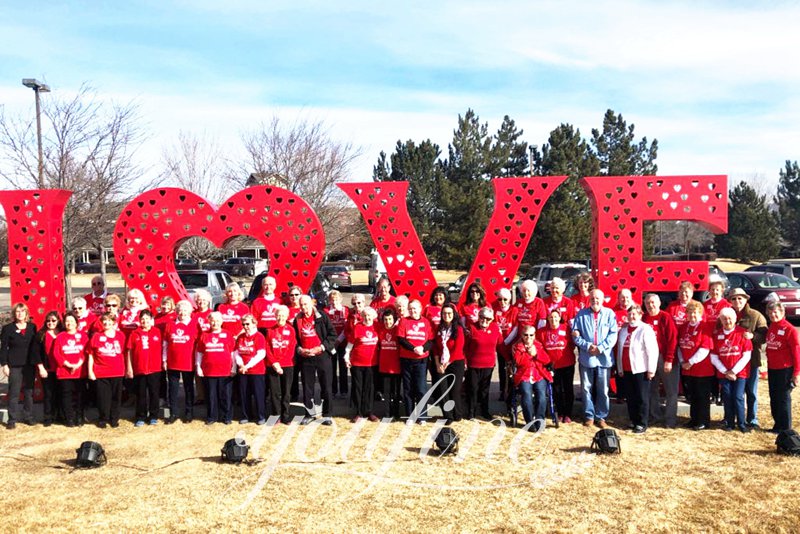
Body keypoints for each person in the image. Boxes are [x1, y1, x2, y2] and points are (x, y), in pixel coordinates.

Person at [572, 289, 619, 429]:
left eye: (598, 298)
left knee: (603, 389)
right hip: (587, 358)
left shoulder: (610, 314)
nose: (595, 300)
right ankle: (589, 415)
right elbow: (575, 335)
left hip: (604, 358)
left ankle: (601, 416)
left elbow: (613, 335)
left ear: (603, 299)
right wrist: (587, 346)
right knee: (586, 388)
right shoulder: (581, 315)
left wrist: (601, 348)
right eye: (592, 298)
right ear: (589, 299)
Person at [294, 295, 338, 425]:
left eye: (306, 304)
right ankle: (310, 413)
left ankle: (327, 414)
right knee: (308, 388)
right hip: (306, 357)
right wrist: (299, 350)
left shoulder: (322, 316)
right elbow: (294, 339)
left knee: (326, 385)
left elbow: (332, 335)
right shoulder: (297, 319)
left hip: (322, 355)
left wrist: (321, 347)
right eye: (301, 305)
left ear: (312, 303)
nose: (304, 307)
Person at [728, 287, 767, 429]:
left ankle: (752, 418)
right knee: (734, 392)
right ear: (730, 301)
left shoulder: (755, 316)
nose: (737, 301)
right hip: (731, 361)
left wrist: (753, 336)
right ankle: (733, 418)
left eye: (740, 298)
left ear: (746, 299)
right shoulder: (727, 315)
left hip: (750, 361)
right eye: (734, 298)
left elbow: (765, 335)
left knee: (751, 391)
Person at [616, 305, 658, 434]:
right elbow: (620, 350)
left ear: (640, 315)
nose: (631, 317)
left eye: (634, 314)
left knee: (642, 397)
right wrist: (620, 368)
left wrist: (651, 369)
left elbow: (652, 350)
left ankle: (642, 423)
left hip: (641, 369)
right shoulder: (623, 330)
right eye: (629, 314)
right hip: (627, 369)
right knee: (631, 397)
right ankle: (633, 420)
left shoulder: (645, 329)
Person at [710, 307, 753, 433]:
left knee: (738, 396)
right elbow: (714, 357)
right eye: (724, 319)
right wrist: (725, 371)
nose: (727, 321)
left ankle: (741, 423)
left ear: (734, 319)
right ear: (721, 320)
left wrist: (733, 371)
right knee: (727, 396)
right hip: (723, 374)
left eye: (730, 318)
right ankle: (729, 423)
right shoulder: (717, 335)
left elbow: (746, 355)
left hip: (740, 373)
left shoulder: (742, 333)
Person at [642, 293, 679, 428]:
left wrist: (669, 360)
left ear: (658, 303)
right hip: (649, 358)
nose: (650, 305)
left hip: (665, 357)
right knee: (651, 390)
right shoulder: (644, 318)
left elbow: (672, 339)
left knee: (671, 391)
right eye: (647, 303)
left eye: (653, 302)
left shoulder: (666, 317)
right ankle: (655, 416)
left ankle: (670, 420)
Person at [677, 301, 715, 430]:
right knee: (692, 396)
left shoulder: (705, 327)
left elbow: (705, 348)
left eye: (695, 313)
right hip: (687, 369)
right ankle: (693, 419)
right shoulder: (683, 327)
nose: (692, 315)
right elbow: (680, 346)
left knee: (702, 396)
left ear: (700, 313)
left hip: (702, 369)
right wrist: (683, 361)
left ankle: (703, 421)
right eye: (690, 312)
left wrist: (691, 362)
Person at [764, 301, 800, 433]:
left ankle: (785, 428)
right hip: (773, 368)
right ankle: (777, 425)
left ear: (782, 312)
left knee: (783, 398)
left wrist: (796, 373)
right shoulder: (772, 327)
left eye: (776, 312)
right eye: (770, 313)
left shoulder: (789, 329)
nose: (773, 315)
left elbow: (796, 351)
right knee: (774, 397)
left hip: (785, 369)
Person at [0, 303, 38, 428]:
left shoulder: (32, 327)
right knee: (14, 393)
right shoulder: (8, 328)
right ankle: (12, 420)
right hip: (14, 365)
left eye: (22, 311)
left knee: (28, 392)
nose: (20, 314)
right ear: (14, 314)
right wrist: (4, 364)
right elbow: (4, 348)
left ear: (26, 313)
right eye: (17, 311)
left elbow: (35, 347)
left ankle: (28, 416)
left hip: (29, 365)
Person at [163, 300, 201, 423]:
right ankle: (171, 413)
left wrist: (197, 362)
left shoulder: (195, 324)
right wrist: (164, 359)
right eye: (180, 310)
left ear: (190, 312)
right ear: (176, 312)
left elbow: (199, 345)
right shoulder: (170, 324)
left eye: (185, 310)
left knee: (188, 387)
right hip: (173, 361)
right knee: (172, 388)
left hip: (188, 361)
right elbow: (165, 344)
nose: (182, 313)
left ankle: (189, 412)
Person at [87, 311, 126, 428]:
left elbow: (123, 352)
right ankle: (103, 418)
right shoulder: (97, 336)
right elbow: (90, 355)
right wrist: (90, 371)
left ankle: (114, 419)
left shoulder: (121, 336)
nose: (107, 323)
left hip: (117, 371)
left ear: (114, 322)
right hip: (101, 372)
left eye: (110, 320)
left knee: (116, 397)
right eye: (104, 320)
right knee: (103, 397)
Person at [196, 311, 236, 425]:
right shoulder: (204, 335)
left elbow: (233, 352)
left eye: (217, 320)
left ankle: (226, 417)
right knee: (211, 396)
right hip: (209, 371)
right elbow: (199, 353)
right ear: (209, 321)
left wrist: (234, 368)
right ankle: (211, 417)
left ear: (222, 322)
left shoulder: (228, 334)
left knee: (226, 395)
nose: (215, 323)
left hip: (225, 370)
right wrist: (199, 367)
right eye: (212, 320)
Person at [397, 300, 434, 422]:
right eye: (411, 308)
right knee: (408, 388)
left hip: (421, 361)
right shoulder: (404, 321)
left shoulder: (426, 322)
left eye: (415, 308)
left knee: (421, 388)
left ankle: (422, 415)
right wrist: (413, 349)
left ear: (420, 308)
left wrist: (423, 349)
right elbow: (401, 339)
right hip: (407, 359)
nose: (413, 311)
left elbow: (430, 340)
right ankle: (410, 415)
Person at [125, 309, 163, 427]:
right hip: (139, 369)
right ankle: (140, 416)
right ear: (139, 320)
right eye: (142, 319)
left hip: (155, 369)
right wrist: (129, 368)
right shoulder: (134, 333)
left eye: (147, 319)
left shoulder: (157, 332)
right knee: (141, 394)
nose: (145, 321)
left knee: (154, 393)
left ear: (151, 320)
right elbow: (129, 351)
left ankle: (153, 416)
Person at [538, 308, 575, 423]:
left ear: (560, 318)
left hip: (567, 364)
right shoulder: (542, 332)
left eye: (555, 317)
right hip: (552, 366)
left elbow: (572, 345)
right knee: (556, 390)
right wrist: (548, 362)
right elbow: (541, 348)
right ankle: (560, 412)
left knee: (568, 389)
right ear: (548, 319)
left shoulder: (566, 329)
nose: (553, 320)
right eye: (551, 317)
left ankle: (568, 413)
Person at [465, 306, 502, 420]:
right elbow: (465, 347)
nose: (484, 320)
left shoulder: (495, 328)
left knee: (485, 390)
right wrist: (465, 362)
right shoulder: (471, 328)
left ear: (492, 319)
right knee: (473, 389)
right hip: (473, 364)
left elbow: (500, 345)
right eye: (482, 317)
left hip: (488, 364)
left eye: (488, 318)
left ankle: (485, 411)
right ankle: (471, 412)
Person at [512, 325, 551, 431]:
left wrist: (537, 354)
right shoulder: (517, 346)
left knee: (541, 395)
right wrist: (529, 354)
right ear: (522, 335)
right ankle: (529, 422)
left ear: (534, 336)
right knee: (526, 394)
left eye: (531, 335)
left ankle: (539, 420)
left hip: (538, 374)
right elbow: (518, 362)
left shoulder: (539, 345)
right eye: (526, 335)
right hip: (524, 375)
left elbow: (547, 360)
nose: (528, 337)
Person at [345, 307, 380, 422]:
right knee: (358, 388)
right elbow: (350, 345)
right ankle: (358, 412)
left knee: (369, 388)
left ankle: (369, 411)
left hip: (372, 363)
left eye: (369, 315)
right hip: (357, 363)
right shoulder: (358, 327)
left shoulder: (377, 326)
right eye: (365, 315)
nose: (367, 318)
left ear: (373, 316)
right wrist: (346, 357)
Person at [52, 313, 87, 427]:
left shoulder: (83, 336)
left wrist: (78, 364)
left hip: (80, 372)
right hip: (64, 372)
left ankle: (80, 417)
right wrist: (67, 364)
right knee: (67, 396)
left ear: (76, 323)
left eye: (72, 321)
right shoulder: (60, 336)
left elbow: (87, 352)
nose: (69, 323)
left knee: (80, 396)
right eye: (67, 321)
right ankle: (69, 418)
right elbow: (56, 353)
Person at [433, 303, 465, 424]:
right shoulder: (439, 329)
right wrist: (437, 364)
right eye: (444, 313)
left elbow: (458, 348)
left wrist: (448, 363)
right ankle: (448, 416)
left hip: (455, 362)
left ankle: (458, 413)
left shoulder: (459, 329)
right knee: (443, 390)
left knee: (455, 390)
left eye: (449, 313)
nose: (447, 315)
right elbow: (435, 348)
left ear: (454, 315)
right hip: (441, 362)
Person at [32, 311, 64, 426]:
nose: (50, 323)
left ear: (58, 321)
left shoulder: (63, 333)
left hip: (62, 369)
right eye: (48, 321)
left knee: (61, 393)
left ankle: (60, 416)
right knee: (49, 394)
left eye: (53, 320)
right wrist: (41, 368)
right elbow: (35, 353)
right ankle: (48, 418)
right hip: (47, 369)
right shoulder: (41, 334)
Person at [266, 305, 297, 424]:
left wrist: (281, 363)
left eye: (283, 315)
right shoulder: (270, 330)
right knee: (275, 392)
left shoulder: (291, 330)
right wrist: (274, 363)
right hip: (273, 366)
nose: (280, 318)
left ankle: (286, 416)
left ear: (287, 316)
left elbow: (291, 348)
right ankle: (276, 415)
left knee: (286, 392)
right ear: (275, 316)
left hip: (287, 365)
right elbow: (267, 347)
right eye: (278, 315)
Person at [234, 314, 267, 425]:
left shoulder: (259, 336)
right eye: (243, 324)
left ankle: (261, 416)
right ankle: (246, 415)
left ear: (254, 323)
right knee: (244, 394)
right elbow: (236, 353)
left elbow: (261, 354)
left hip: (256, 370)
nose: (245, 326)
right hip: (243, 371)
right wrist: (241, 365)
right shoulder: (241, 337)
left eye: (248, 324)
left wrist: (247, 366)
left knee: (258, 394)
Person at [493, 288, 518, 401]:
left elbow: (516, 327)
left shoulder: (514, 310)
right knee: (502, 369)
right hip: (500, 345)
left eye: (505, 299)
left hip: (511, 344)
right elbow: (495, 326)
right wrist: (501, 341)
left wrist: (507, 341)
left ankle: (513, 391)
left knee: (513, 369)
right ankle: (503, 391)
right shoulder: (495, 310)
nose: (502, 302)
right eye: (500, 299)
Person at [324, 290, 350, 399]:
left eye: (336, 299)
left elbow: (347, 327)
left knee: (343, 367)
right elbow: (325, 328)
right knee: (332, 368)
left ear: (341, 299)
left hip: (343, 342)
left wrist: (339, 340)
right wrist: (331, 342)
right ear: (329, 300)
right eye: (332, 300)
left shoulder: (346, 310)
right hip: (331, 343)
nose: (334, 302)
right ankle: (333, 390)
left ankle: (344, 390)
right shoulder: (325, 311)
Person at [377, 308, 402, 419]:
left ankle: (396, 413)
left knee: (396, 392)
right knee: (386, 393)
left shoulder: (397, 330)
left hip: (396, 366)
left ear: (394, 319)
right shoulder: (380, 331)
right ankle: (387, 414)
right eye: (386, 319)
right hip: (384, 366)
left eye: (390, 319)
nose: (388, 322)